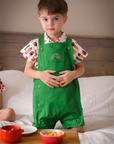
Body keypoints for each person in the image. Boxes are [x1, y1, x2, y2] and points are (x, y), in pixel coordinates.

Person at [20, 0, 88, 133]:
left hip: (67, 101)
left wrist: (72, 74)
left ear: (65, 19)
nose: (50, 23)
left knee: (78, 132)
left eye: (55, 18)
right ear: (39, 19)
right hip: (45, 104)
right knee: (41, 134)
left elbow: (81, 68)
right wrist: (40, 74)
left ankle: (69, 119)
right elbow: (27, 71)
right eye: (45, 19)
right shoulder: (35, 45)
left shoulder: (72, 44)